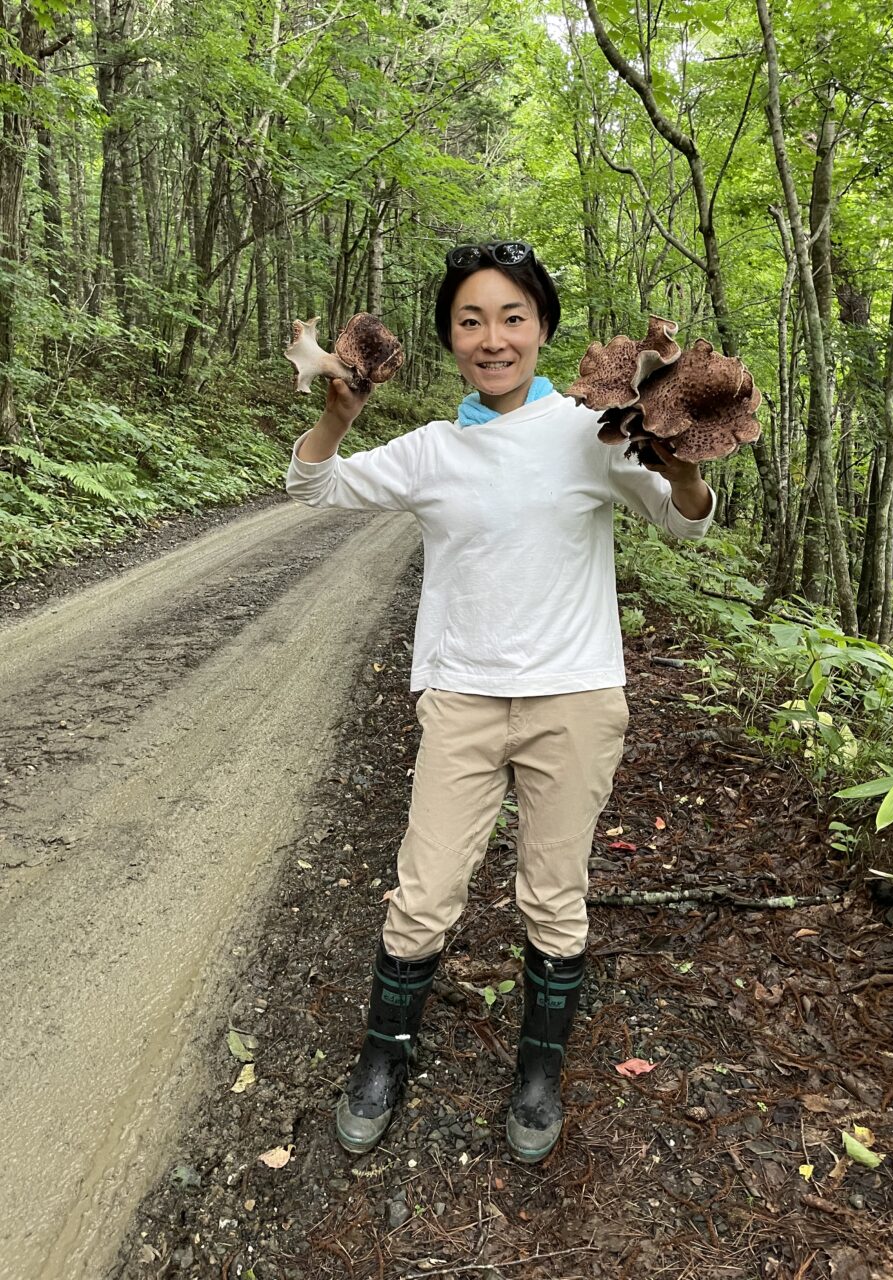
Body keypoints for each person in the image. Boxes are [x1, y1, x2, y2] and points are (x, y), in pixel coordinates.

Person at [285, 241, 715, 1163]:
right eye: (471, 321)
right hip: (463, 699)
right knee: (424, 894)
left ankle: (538, 1072)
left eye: (512, 317)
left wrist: (681, 462)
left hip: (575, 699)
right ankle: (383, 1057)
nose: (493, 339)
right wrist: (335, 414)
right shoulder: (433, 451)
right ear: (450, 338)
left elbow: (682, 521)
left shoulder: (592, 429)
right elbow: (312, 484)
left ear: (542, 328)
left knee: (555, 897)